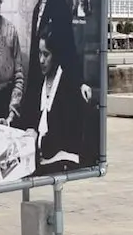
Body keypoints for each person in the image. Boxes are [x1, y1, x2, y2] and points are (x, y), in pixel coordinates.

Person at [21, 0, 91, 124]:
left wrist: (80, 82)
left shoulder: (60, 6)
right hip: (39, 86)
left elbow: (69, 50)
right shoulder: (37, 9)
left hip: (57, 90)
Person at [21, 28, 86, 176]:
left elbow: (67, 132)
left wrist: (38, 138)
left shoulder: (69, 85)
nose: (41, 60)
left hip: (63, 160)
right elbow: (27, 118)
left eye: (46, 54)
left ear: (56, 55)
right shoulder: (38, 83)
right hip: (42, 160)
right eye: (39, 53)